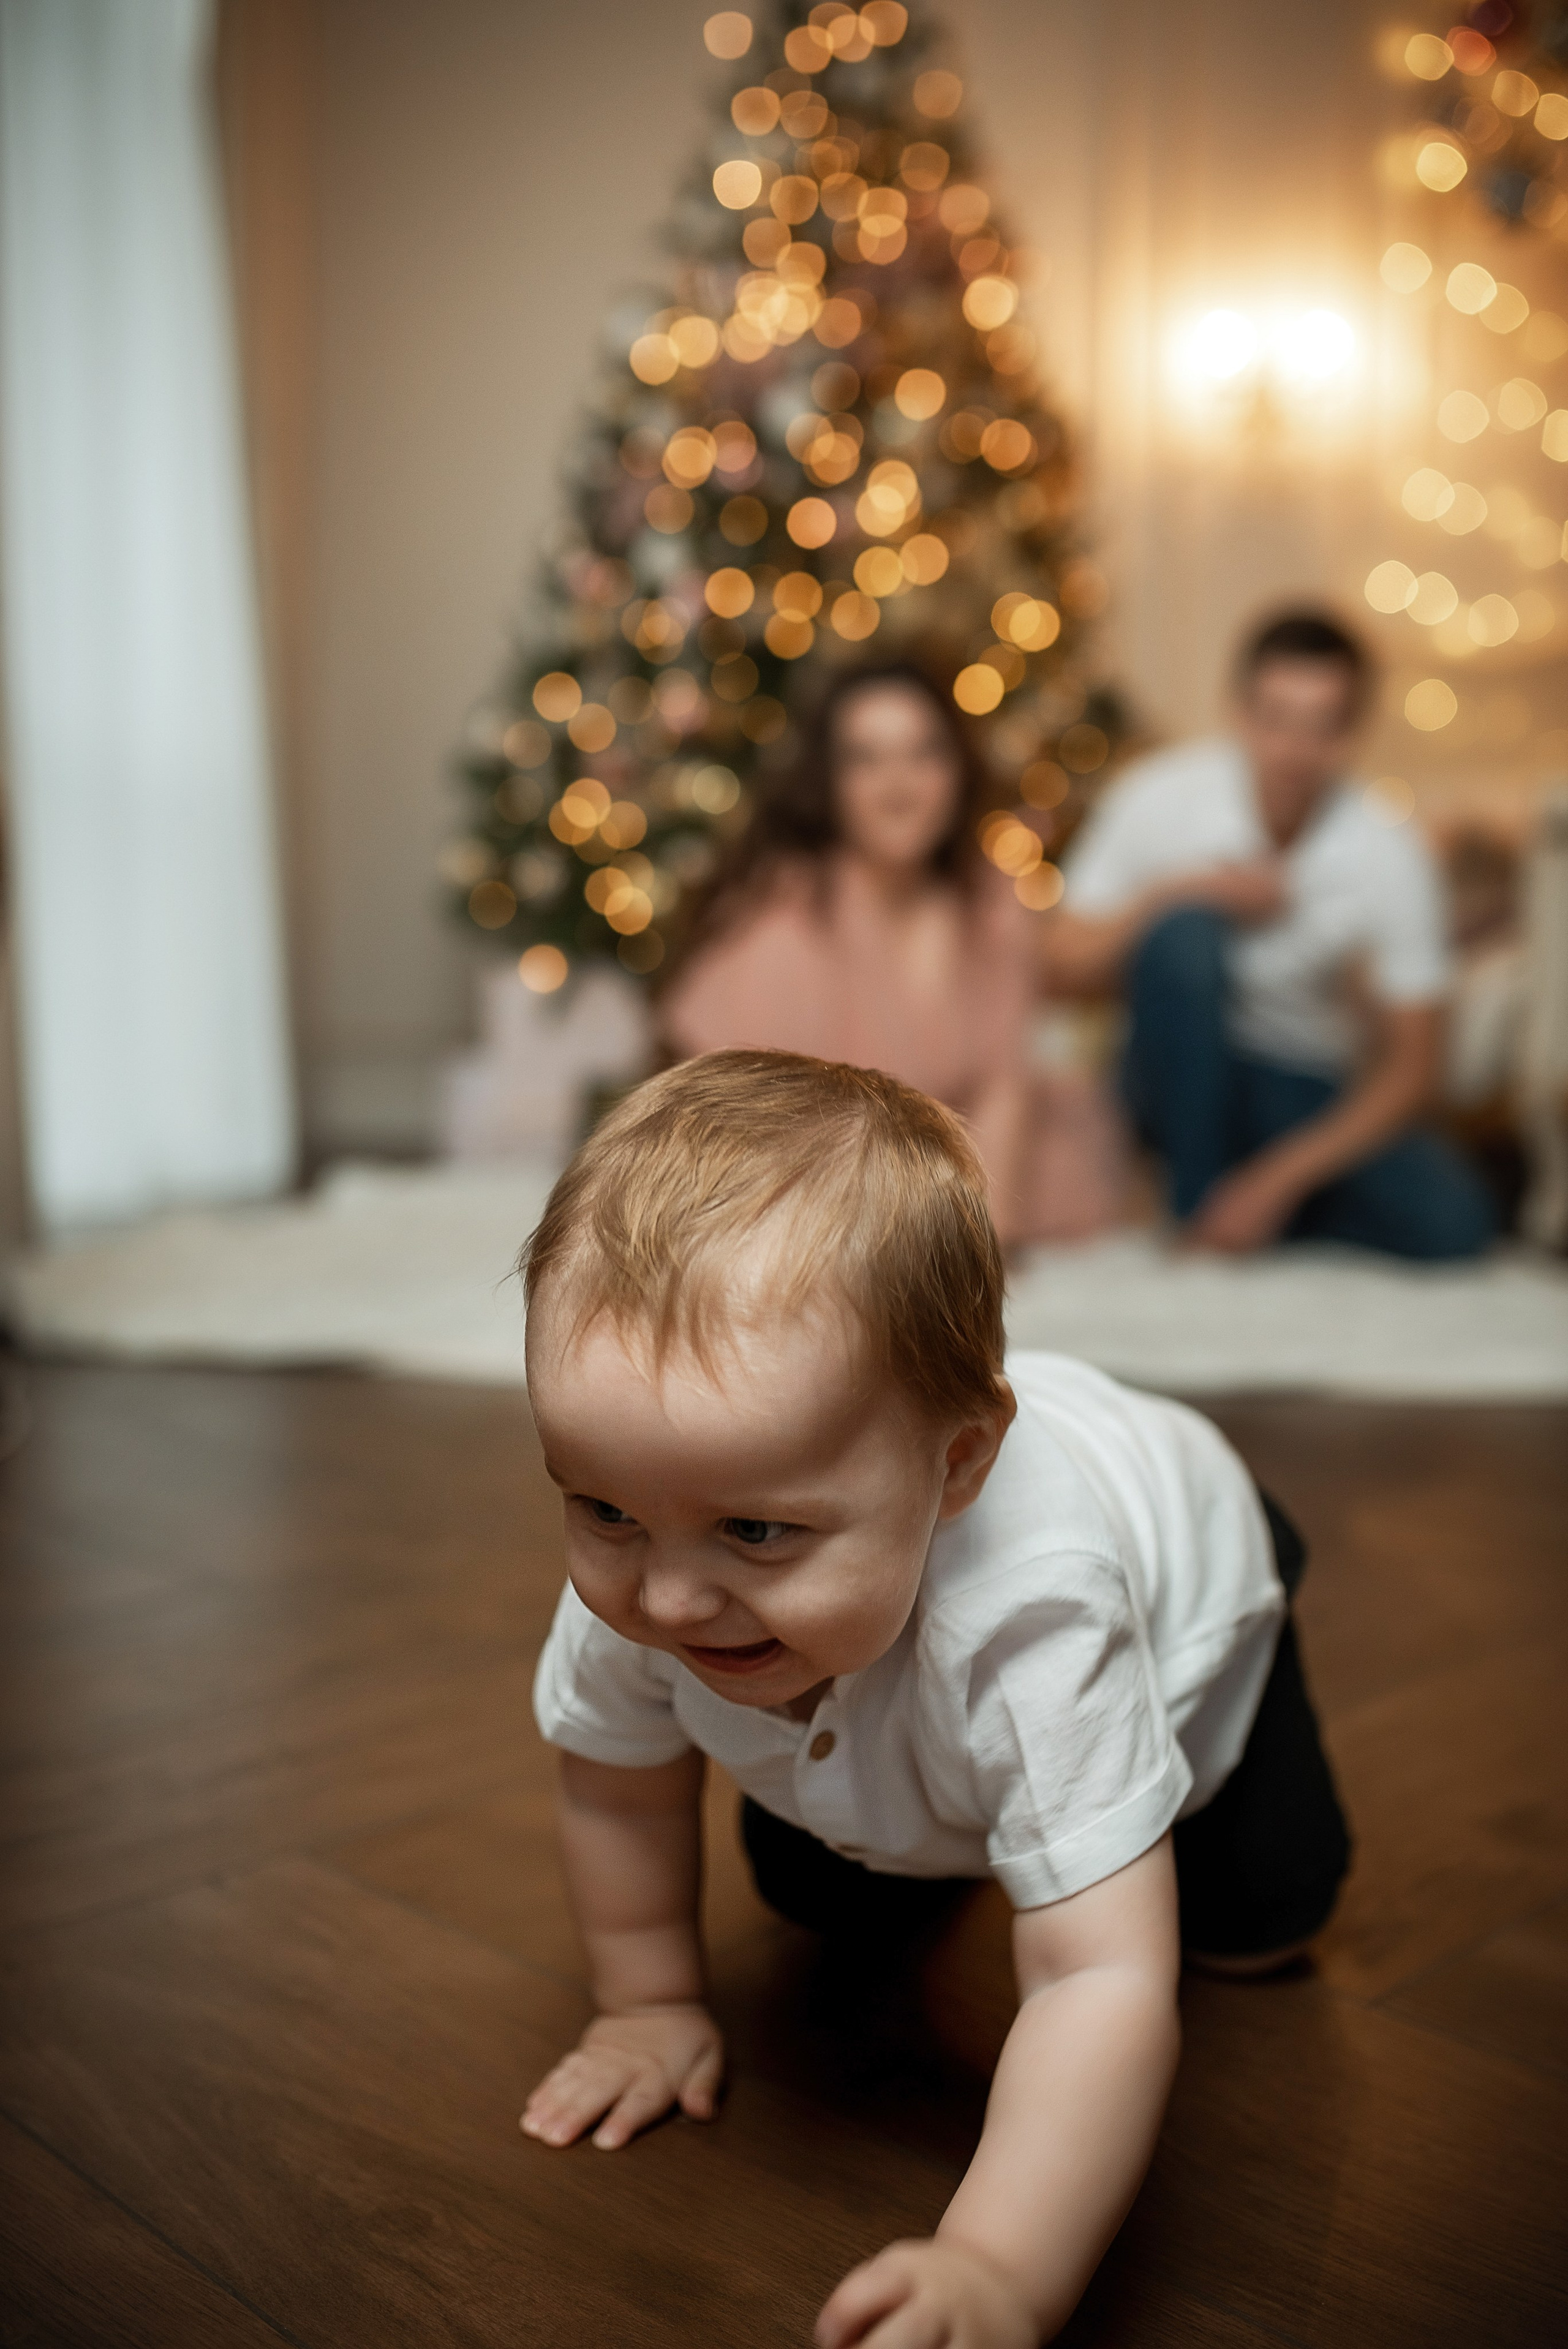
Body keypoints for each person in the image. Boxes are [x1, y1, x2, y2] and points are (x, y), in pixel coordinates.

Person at [519, 1050, 1350, 2349]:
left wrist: (998, 2267)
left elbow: (1096, 1985)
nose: (667, 1600)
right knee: (819, 1897)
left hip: (1202, 1588)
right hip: (896, 1679)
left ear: (957, 1465)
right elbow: (613, 1781)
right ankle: (999, 1816)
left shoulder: (1032, 1623)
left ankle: (1077, 1817)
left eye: (754, 1528)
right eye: (601, 1507)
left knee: (1250, 1930)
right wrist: (646, 2001)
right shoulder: (661, 1563)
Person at [1046, 609, 1496, 1258]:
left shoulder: (1389, 851)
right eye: (1275, 718)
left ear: (1351, 734)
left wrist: (1278, 1180)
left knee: (1456, 1223)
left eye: (1320, 726)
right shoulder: (1158, 797)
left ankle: (1252, 1206)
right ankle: (1196, 1210)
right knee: (1187, 936)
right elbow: (1057, 967)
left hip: (1297, 1088)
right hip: (1167, 1076)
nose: (1291, 749)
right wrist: (1191, 888)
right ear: (1238, 712)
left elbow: (1417, 1068)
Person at [657, 661, 1128, 1245]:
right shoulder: (787, 917)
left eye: (923, 754)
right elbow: (752, 1129)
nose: (898, 784)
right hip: (807, 1183)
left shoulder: (990, 901)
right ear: (831, 783)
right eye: (867, 759)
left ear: (957, 771)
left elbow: (1005, 1083)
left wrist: (988, 1246)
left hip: (962, 1171)